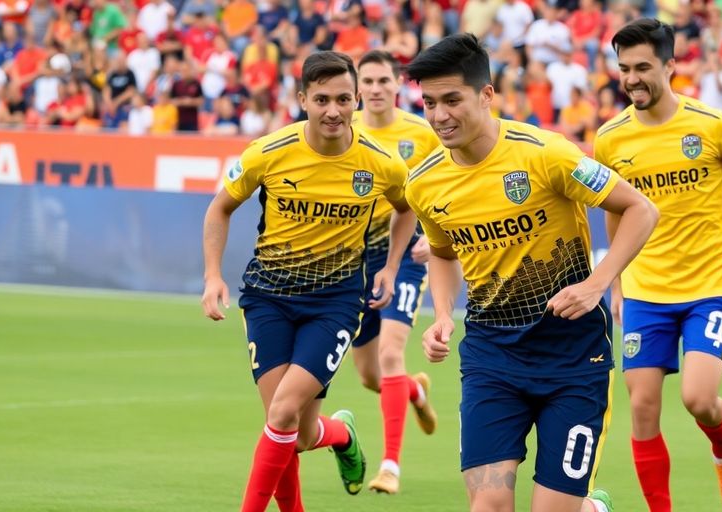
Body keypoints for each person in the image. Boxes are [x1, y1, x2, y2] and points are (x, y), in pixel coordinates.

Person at [407, 33, 659, 512]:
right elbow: (441, 253)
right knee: (489, 508)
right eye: (430, 102)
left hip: (573, 356)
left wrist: (597, 283)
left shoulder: (547, 154)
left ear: (486, 95)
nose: (439, 115)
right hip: (491, 357)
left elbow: (641, 209)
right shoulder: (424, 182)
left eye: (452, 100)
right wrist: (441, 313)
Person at [201, 51, 418, 512]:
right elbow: (220, 207)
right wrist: (212, 275)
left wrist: (392, 265)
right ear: (303, 100)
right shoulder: (269, 152)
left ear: (358, 99)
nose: (334, 110)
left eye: (343, 98)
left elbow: (407, 208)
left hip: (334, 304)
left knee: (281, 414)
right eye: (322, 99)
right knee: (293, 436)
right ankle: (341, 434)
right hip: (267, 299)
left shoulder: (381, 163)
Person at [594, 19, 722, 512]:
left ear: (671, 66)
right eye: (624, 69)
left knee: (699, 398)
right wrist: (613, 281)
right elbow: (616, 210)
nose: (632, 78)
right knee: (641, 407)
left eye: (643, 68)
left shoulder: (711, 124)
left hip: (711, 282)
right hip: (645, 288)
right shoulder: (610, 139)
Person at [347, 49, 441, 495]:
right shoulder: (345, 131)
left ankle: (390, 466)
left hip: (403, 257)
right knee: (370, 375)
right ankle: (414, 393)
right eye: (369, 81)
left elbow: (452, 181)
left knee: (390, 354)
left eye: (385, 80)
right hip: (355, 259)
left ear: (397, 84)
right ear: (357, 87)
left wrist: (436, 235)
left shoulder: (421, 134)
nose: (377, 89)